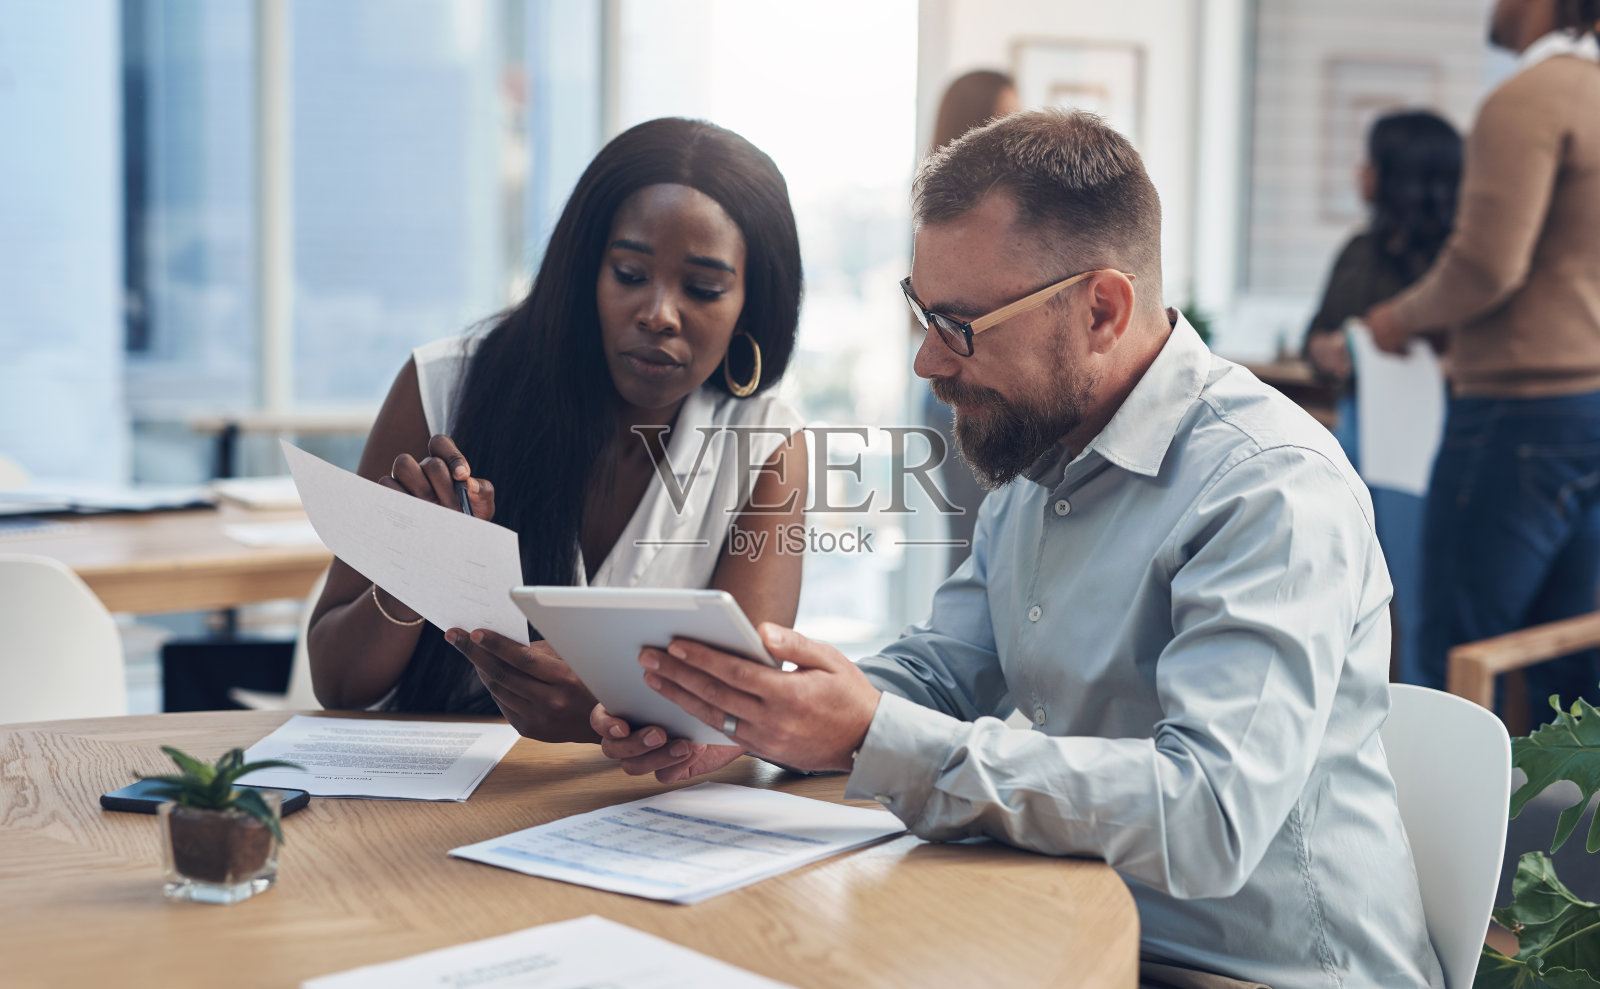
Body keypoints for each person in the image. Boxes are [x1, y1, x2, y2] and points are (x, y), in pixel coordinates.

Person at [592, 110, 1443, 987]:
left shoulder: (1270, 487)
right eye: (922, 313)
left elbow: (1209, 820)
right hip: (1072, 926)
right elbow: (938, 674)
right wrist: (758, 720)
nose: (927, 361)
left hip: (1256, 972)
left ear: (1102, 309)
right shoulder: (1043, 456)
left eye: (960, 325)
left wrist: (874, 733)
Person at [306, 118, 808, 742]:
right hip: (425, 800)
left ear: (752, 305)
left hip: (627, 809)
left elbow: (750, 708)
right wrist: (419, 568)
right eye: (629, 274)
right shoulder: (443, 388)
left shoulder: (764, 440)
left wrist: (606, 709)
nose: (657, 314)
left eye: (703, 289)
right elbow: (339, 684)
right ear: (584, 274)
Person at [1367, 0, 1600, 721]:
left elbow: (1487, 264)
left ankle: (1453, 839)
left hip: (1516, 414)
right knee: (1573, 676)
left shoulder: (1527, 98)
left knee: (1459, 662)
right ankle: (1560, 840)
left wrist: (1397, 317)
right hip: (1589, 407)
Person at [1302, 110, 1463, 683]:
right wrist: (1328, 349)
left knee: (1418, 600)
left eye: (1372, 159)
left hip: (1425, 441)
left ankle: (1428, 722)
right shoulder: (1359, 251)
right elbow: (1315, 333)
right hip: (1354, 428)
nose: (1360, 172)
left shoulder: (1458, 260)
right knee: (1339, 588)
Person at [921, 70, 1021, 574]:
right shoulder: (939, 222)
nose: (1016, 135)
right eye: (1004, 120)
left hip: (961, 388)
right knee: (975, 553)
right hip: (954, 394)